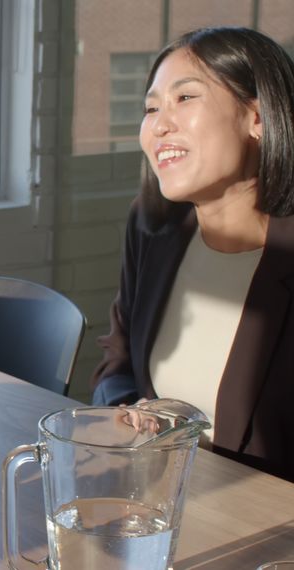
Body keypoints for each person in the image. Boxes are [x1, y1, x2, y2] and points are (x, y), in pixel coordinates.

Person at [90, 26, 294, 482]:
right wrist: (129, 413)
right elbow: (118, 360)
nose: (159, 124)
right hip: (161, 498)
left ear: (257, 118)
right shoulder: (153, 228)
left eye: (184, 98)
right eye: (151, 108)